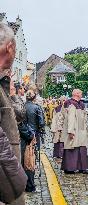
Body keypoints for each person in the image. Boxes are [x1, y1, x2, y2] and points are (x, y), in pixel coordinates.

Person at [0, 22, 26, 205]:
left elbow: (16, 116)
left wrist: (12, 93)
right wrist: (16, 183)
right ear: (10, 47)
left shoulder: (3, 80)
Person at [61, 89, 88, 174]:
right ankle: (70, 168)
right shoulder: (70, 104)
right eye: (80, 93)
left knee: (81, 149)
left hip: (81, 131)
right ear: (76, 94)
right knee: (72, 148)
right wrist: (70, 131)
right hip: (75, 130)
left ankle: (81, 167)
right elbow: (71, 118)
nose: (82, 94)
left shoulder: (81, 104)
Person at [25, 90, 45, 192]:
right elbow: (41, 122)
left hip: (24, 134)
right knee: (32, 156)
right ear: (34, 98)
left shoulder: (23, 106)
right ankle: (31, 182)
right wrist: (42, 130)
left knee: (25, 156)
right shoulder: (37, 107)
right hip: (34, 134)